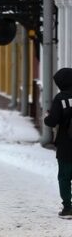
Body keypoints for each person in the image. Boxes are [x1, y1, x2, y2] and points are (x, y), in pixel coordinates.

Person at [43, 67, 72, 219]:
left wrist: (47, 116)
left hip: (66, 144)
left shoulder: (60, 99)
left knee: (65, 176)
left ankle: (68, 208)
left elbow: (52, 121)